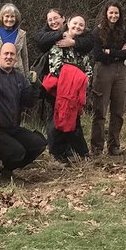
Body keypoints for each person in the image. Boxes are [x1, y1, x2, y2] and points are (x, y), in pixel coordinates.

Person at [0, 42, 47, 176]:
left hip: (14, 128)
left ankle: (8, 168)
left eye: (12, 54)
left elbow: (29, 102)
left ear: (16, 58)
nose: (9, 57)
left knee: (39, 143)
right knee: (17, 152)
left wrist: (35, 86)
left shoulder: (19, 77)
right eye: (6, 53)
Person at [44, 14, 93, 163]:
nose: (77, 27)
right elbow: (56, 68)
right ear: (69, 23)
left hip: (75, 93)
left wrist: (81, 80)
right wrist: (77, 75)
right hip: (58, 91)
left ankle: (80, 153)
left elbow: (88, 70)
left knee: (74, 122)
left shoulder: (82, 48)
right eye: (75, 23)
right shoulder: (58, 43)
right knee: (56, 122)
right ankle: (57, 154)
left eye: (81, 25)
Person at [91, 1, 126, 155]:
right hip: (103, 71)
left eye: (116, 13)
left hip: (120, 72)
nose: (114, 15)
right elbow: (97, 54)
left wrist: (110, 52)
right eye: (111, 13)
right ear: (106, 14)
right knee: (100, 110)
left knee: (118, 110)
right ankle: (97, 147)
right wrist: (118, 52)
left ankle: (114, 145)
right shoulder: (97, 32)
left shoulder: (124, 32)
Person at [0, 2, 30, 74]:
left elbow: (24, 57)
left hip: (17, 74)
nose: (9, 19)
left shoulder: (21, 34)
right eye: (7, 16)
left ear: (16, 18)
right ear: (2, 17)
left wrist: (27, 75)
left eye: (12, 16)